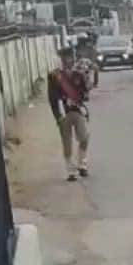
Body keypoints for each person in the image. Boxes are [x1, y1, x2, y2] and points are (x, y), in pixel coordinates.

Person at [48, 46, 92, 181]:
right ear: (61, 60)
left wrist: (87, 78)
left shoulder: (78, 74)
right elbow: (52, 98)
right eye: (66, 58)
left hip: (77, 110)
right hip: (63, 112)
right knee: (67, 143)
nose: (69, 60)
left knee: (84, 138)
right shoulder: (54, 76)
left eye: (70, 57)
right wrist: (57, 116)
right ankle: (70, 171)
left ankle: (82, 165)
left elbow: (86, 93)